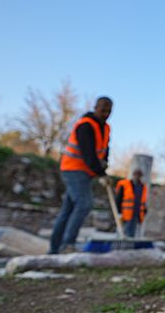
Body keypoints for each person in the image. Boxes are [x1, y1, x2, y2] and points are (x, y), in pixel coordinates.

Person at [49, 96, 112, 254]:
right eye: (103, 109)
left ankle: (54, 249)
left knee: (68, 210)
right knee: (84, 204)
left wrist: (104, 162)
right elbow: (88, 154)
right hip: (73, 169)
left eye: (109, 111)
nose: (105, 113)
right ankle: (67, 244)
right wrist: (101, 173)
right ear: (95, 107)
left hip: (86, 172)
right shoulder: (85, 126)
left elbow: (104, 149)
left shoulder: (105, 128)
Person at [115, 169, 148, 238]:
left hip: (136, 213)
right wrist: (118, 211)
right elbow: (118, 198)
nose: (137, 177)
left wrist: (144, 209)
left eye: (139, 176)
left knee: (132, 232)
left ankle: (130, 244)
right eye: (136, 175)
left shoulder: (143, 187)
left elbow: (143, 200)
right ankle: (120, 242)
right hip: (125, 213)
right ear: (133, 175)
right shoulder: (125, 185)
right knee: (123, 230)